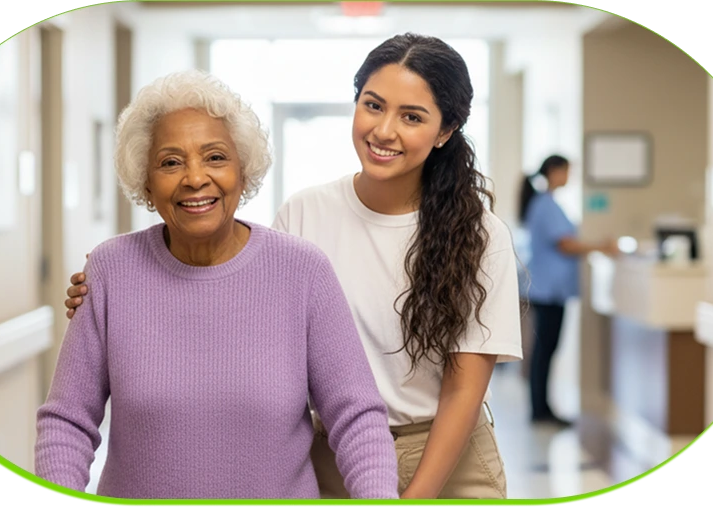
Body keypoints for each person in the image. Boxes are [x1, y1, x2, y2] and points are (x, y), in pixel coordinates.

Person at [64, 33, 523, 499]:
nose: (385, 130)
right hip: (335, 454)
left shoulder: (481, 235)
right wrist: (113, 291)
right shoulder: (306, 213)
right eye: (373, 105)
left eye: (412, 117)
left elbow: (463, 392)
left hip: (447, 454)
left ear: (446, 130)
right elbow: (239, 297)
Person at [34, 69, 400, 500]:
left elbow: (357, 417)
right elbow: (67, 423)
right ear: (146, 185)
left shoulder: (303, 271)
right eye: (171, 162)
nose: (194, 178)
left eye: (215, 157)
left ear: (243, 175)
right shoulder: (111, 270)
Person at [518, 154, 620, 426]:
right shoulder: (546, 204)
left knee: (546, 350)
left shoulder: (545, 202)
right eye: (566, 172)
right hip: (548, 290)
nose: (568, 177)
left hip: (549, 289)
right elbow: (565, 244)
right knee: (545, 350)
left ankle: (542, 408)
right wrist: (601, 246)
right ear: (553, 171)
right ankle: (540, 410)